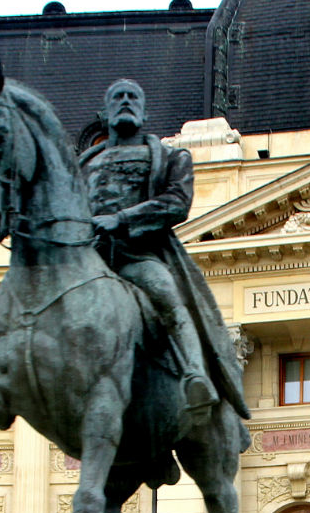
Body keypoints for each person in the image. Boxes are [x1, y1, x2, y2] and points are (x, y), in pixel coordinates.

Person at [79, 79, 250, 423]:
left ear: (144, 111)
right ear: (106, 111)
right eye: (118, 97)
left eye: (133, 97)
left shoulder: (168, 156)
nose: (126, 102)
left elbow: (176, 203)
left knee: (166, 293)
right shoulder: (85, 163)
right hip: (86, 256)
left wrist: (123, 220)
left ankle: (194, 375)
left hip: (138, 255)